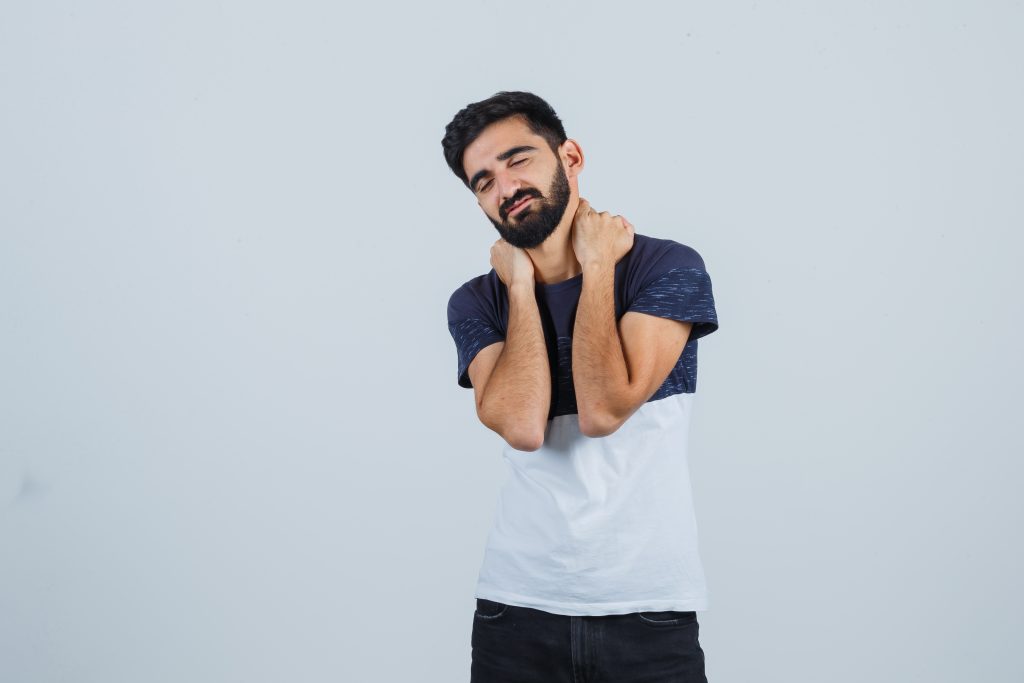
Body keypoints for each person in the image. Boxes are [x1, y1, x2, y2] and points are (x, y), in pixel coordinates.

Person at [442, 91, 719, 683]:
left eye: (519, 160)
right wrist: (520, 288)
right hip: (515, 611)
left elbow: (603, 408)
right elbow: (520, 425)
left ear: (570, 155)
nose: (505, 187)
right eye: (483, 181)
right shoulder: (477, 300)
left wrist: (597, 268)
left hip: (648, 610)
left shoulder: (665, 268)